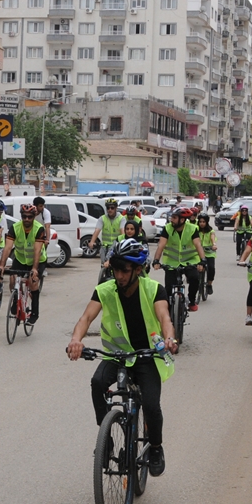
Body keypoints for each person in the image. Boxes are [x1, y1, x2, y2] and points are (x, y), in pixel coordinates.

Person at [66, 238, 176, 475]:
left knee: (150, 405)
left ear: (138, 269)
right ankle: (106, 438)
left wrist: (169, 339)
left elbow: (165, 317)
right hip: (117, 356)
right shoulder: (105, 290)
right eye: (115, 269)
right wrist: (76, 340)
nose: (119, 275)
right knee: (97, 383)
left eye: (124, 270)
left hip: (147, 357)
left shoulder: (154, 290)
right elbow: (86, 318)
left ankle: (155, 447)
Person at [0, 204, 47, 324]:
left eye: (30, 217)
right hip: (20, 259)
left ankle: (34, 313)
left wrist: (35, 269)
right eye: (24, 216)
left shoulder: (39, 229)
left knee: (33, 281)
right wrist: (1, 265)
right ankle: (16, 301)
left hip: (37, 260)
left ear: (34, 217)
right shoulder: (15, 228)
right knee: (12, 280)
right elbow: (8, 247)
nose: (27, 219)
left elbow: (37, 251)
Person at [152, 207, 207, 312]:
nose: (171, 219)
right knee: (168, 289)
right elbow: (161, 245)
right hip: (171, 263)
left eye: (174, 217)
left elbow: (198, 245)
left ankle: (191, 300)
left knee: (194, 278)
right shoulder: (167, 228)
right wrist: (156, 260)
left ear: (182, 220)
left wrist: (202, 260)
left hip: (190, 261)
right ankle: (169, 312)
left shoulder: (192, 228)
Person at [88, 198, 126, 265]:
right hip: (104, 246)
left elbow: (122, 231)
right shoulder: (102, 218)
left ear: (116, 208)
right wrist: (92, 242)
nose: (110, 210)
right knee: (104, 265)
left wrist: (123, 243)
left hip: (116, 247)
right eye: (108, 208)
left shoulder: (121, 219)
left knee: (115, 265)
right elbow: (97, 230)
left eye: (112, 208)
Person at [195, 213, 218, 296]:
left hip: (209, 253)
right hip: (198, 253)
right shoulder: (196, 230)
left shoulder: (211, 231)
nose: (202, 223)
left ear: (207, 222)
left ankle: (209, 284)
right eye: (200, 221)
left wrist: (214, 244)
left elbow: (212, 238)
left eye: (204, 222)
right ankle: (197, 283)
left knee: (211, 268)